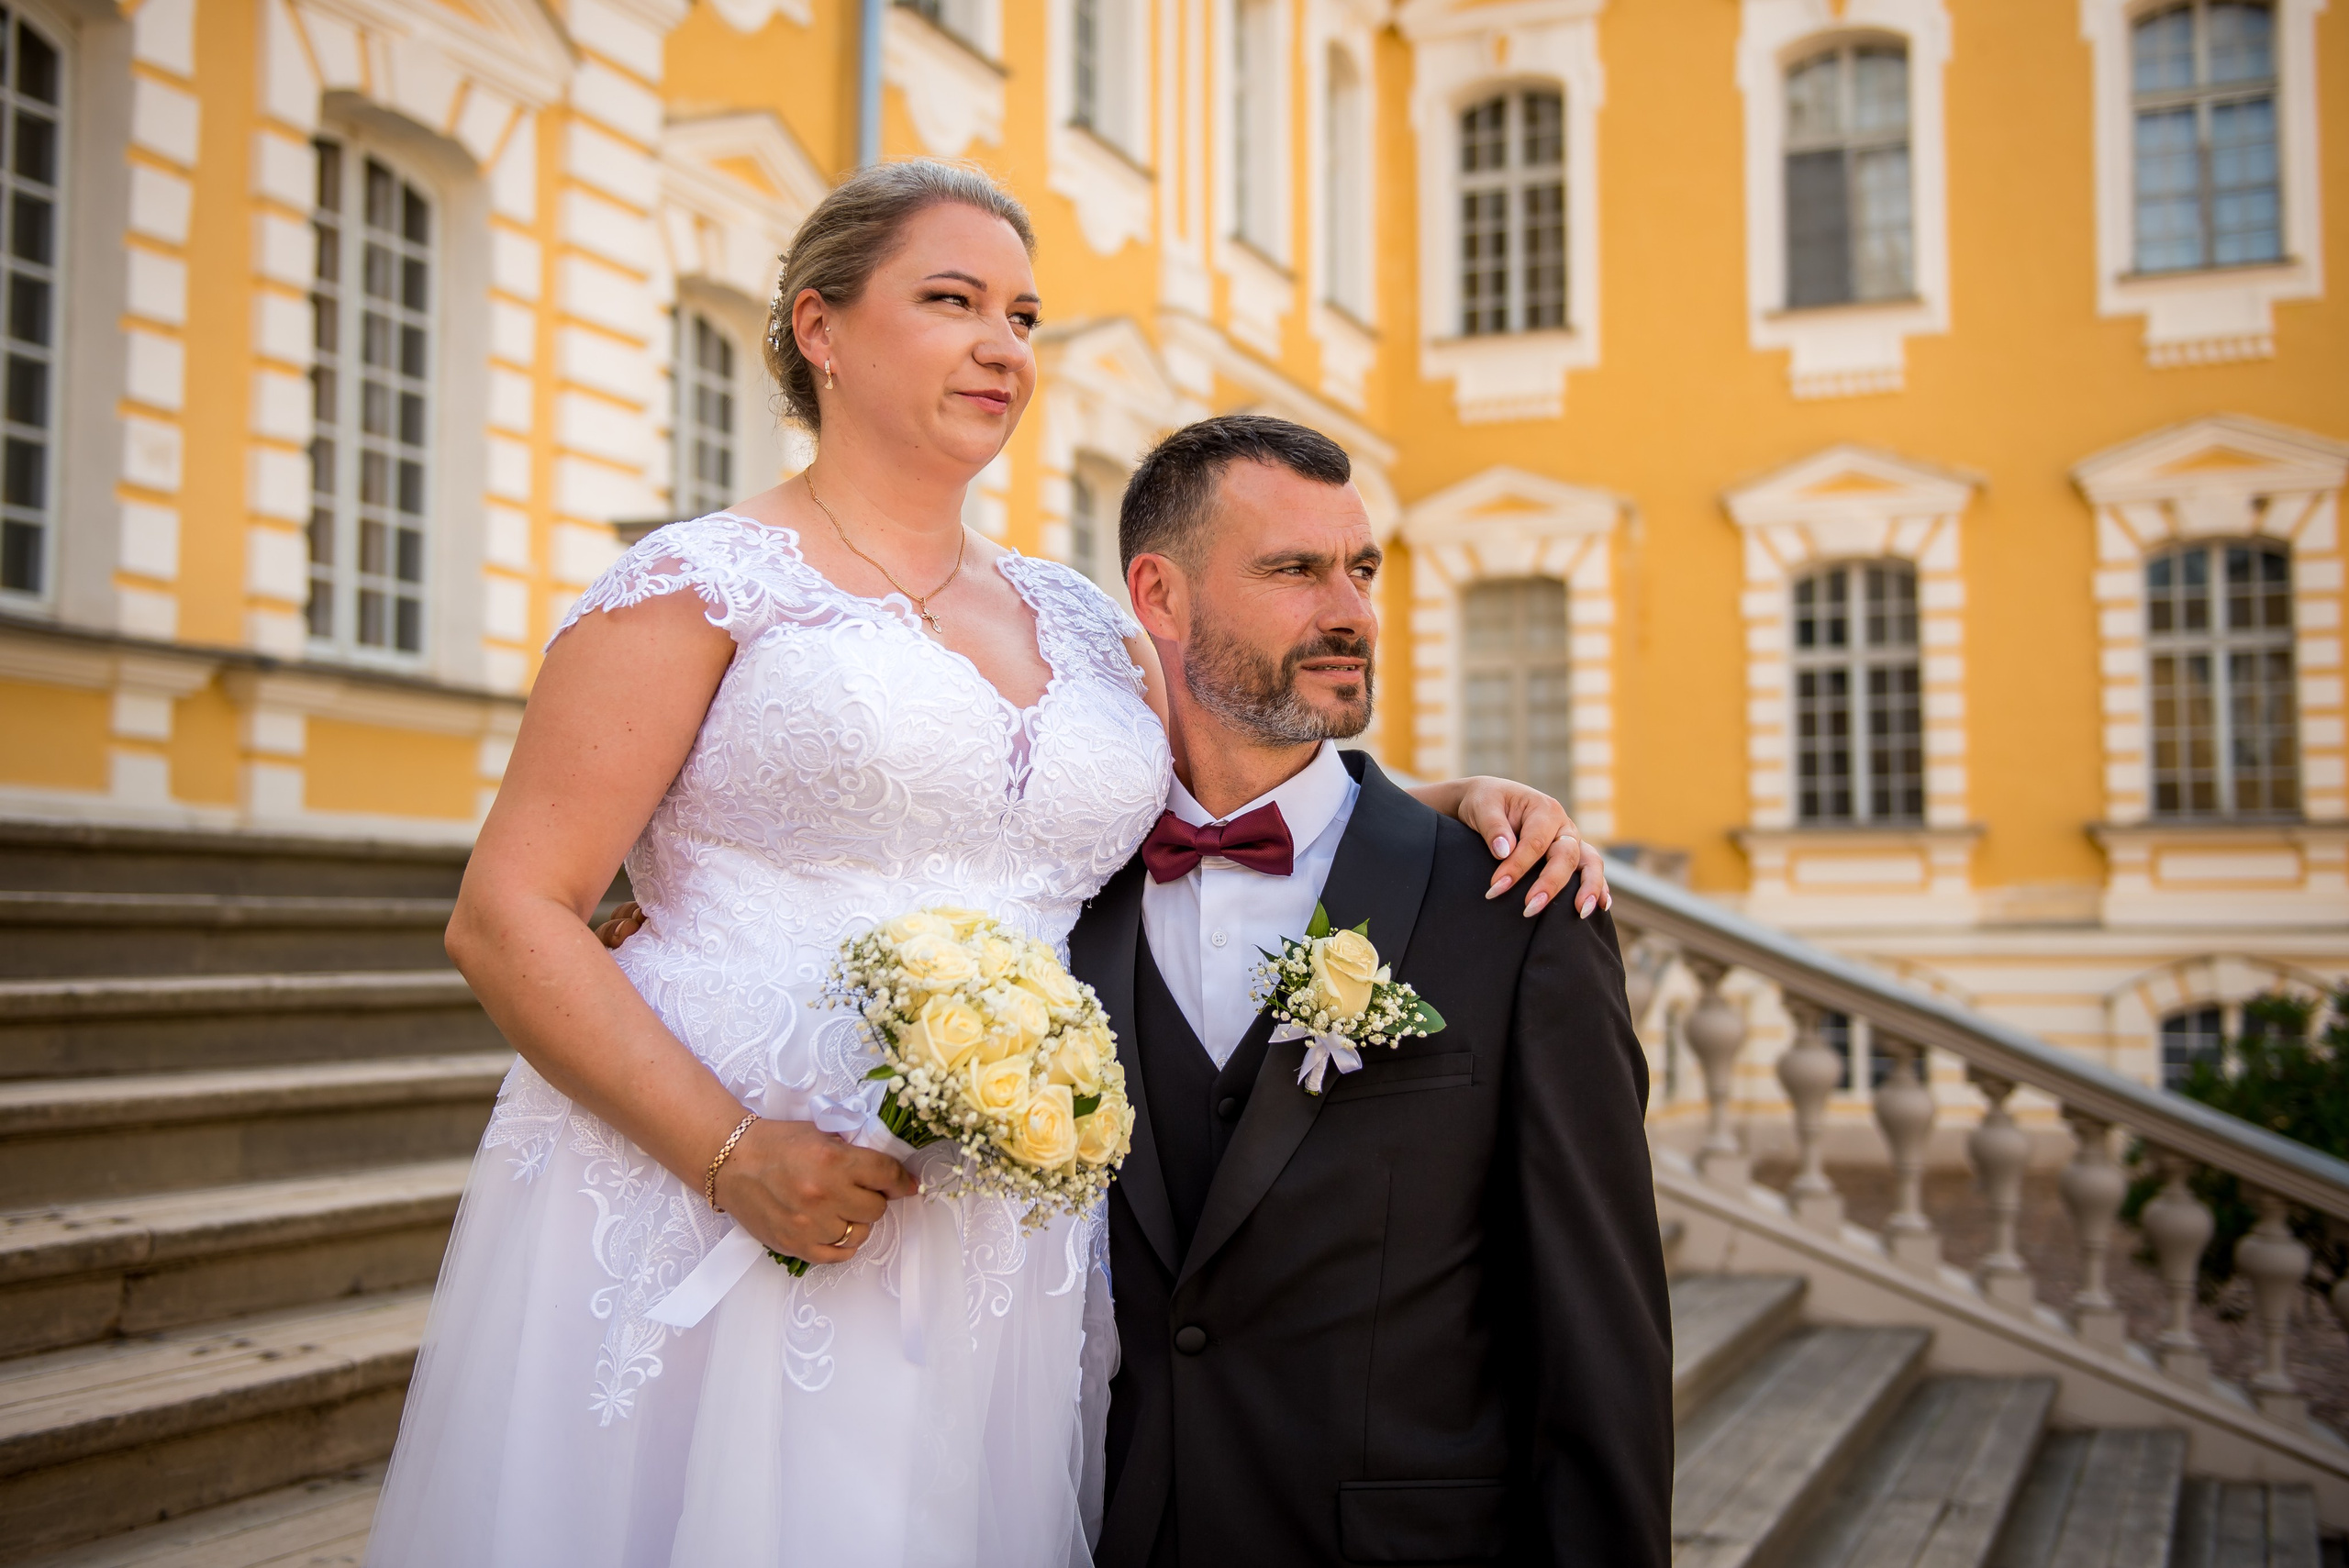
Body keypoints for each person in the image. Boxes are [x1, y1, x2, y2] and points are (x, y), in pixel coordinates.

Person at [367, 160, 1606, 1568]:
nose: (1001, 347)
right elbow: (507, 913)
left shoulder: (1079, 622)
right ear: (820, 328)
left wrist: (1443, 804)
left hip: (1000, 1229)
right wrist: (730, 1157)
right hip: (721, 1190)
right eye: (951, 301)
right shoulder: (698, 585)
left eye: (1022, 315)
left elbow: (1216, 790)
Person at [1066, 416, 1672, 1568]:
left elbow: (1598, 1338)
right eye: (1295, 570)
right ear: (1159, 593)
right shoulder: (1062, 901)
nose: (1350, 611)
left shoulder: (1515, 906)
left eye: (1362, 569)